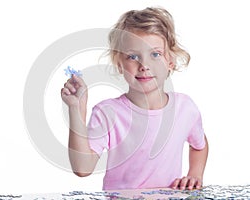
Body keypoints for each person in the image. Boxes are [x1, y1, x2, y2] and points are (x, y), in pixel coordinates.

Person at [61, 7, 208, 191]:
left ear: (170, 61)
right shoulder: (108, 112)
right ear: (119, 64)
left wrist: (195, 174)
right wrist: (76, 110)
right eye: (133, 56)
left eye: (155, 54)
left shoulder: (185, 108)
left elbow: (200, 144)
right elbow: (82, 169)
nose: (144, 65)